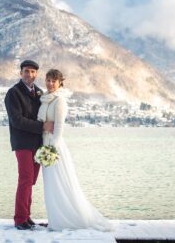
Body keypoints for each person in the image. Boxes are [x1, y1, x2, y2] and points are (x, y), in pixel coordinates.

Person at [37, 69, 114, 231]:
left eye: (54, 81)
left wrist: (52, 150)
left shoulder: (60, 101)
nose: (50, 83)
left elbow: (59, 127)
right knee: (51, 185)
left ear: (60, 83)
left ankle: (68, 219)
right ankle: (55, 219)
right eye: (48, 80)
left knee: (60, 184)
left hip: (53, 148)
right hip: (44, 144)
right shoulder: (44, 99)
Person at [4, 60, 54, 230]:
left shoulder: (39, 92)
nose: (29, 74)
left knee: (30, 181)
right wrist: (42, 127)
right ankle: (19, 220)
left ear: (36, 74)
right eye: (26, 71)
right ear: (21, 73)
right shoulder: (13, 93)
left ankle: (27, 216)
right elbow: (17, 121)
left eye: (33, 72)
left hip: (38, 144)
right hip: (22, 143)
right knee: (25, 179)